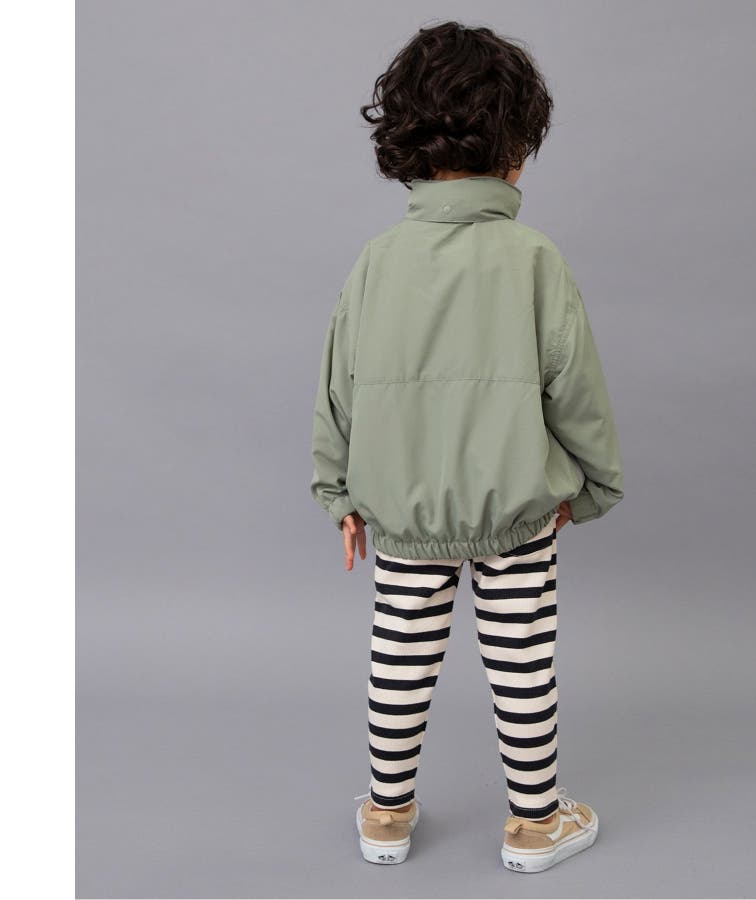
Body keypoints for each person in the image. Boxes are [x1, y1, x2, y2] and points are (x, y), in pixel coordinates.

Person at [310, 20, 624, 873]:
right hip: (517, 510)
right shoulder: (535, 260)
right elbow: (577, 390)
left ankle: (386, 814)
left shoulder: (376, 261)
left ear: (405, 142)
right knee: (523, 664)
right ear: (515, 149)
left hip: (404, 513)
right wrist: (593, 488)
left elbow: (337, 387)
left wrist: (338, 494)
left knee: (399, 656)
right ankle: (535, 824)